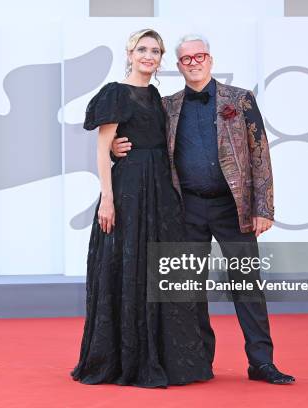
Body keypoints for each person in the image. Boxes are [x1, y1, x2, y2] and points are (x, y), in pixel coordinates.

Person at [112, 34, 295, 385]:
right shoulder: (167, 106)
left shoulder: (239, 100)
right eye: (186, 59)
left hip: (233, 208)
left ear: (210, 60)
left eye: (200, 56)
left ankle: (261, 362)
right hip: (186, 209)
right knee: (188, 290)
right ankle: (199, 362)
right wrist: (115, 148)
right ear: (178, 65)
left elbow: (259, 154)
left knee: (248, 285)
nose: (193, 62)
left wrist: (264, 207)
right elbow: (143, 142)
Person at [71, 29, 213, 388]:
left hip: (161, 193)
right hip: (129, 192)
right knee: (129, 266)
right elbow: (103, 150)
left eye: (155, 51)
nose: (149, 56)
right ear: (130, 53)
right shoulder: (116, 93)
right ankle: (128, 359)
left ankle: (166, 357)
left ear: (161, 58)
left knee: (161, 271)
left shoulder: (155, 96)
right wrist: (107, 198)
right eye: (143, 49)